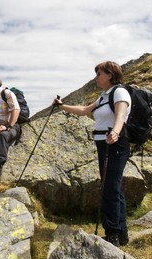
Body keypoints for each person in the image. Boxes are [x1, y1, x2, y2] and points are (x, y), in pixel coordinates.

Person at [53, 61, 131, 247]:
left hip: (115, 143)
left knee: (110, 189)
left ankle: (112, 234)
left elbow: (121, 114)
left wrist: (116, 131)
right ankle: (121, 234)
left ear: (110, 75)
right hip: (104, 144)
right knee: (113, 187)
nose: (96, 77)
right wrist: (62, 106)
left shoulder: (119, 91)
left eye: (99, 74)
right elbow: (85, 110)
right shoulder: (104, 96)